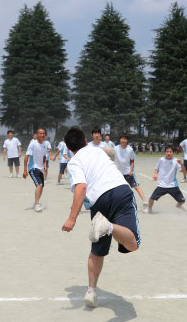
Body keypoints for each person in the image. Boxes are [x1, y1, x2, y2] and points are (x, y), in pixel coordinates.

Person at [61, 127, 140, 308]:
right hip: (121, 190)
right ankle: (109, 227)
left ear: (68, 147)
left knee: (97, 251)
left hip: (100, 201)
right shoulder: (98, 151)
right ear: (86, 140)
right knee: (132, 243)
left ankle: (91, 290)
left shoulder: (73, 163)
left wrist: (72, 218)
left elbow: (81, 187)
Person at [147, 146, 187, 213]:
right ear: (165, 152)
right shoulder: (161, 159)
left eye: (170, 152)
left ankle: (178, 205)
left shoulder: (176, 161)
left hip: (173, 185)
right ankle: (149, 209)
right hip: (162, 185)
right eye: (167, 152)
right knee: (151, 199)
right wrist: (155, 174)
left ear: (173, 153)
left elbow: (184, 172)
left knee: (183, 202)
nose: (169, 153)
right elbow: (156, 168)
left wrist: (181, 164)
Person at [114, 133, 149, 212]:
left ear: (127, 140)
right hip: (119, 174)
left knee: (136, 186)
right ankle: (117, 205)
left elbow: (132, 161)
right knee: (116, 189)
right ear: (120, 139)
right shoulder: (116, 148)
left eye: (125, 139)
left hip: (128, 173)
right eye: (122, 138)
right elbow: (112, 157)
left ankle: (145, 202)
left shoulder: (130, 149)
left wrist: (130, 170)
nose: (123, 140)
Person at [23, 128, 49, 212]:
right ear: (37, 135)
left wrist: (45, 164)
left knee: (41, 187)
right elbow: (26, 156)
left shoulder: (45, 144)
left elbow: (44, 156)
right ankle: (37, 204)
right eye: (40, 133)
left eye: (43, 133)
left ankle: (36, 203)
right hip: (33, 167)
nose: (42, 135)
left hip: (41, 168)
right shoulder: (33, 144)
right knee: (39, 185)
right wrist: (25, 170)